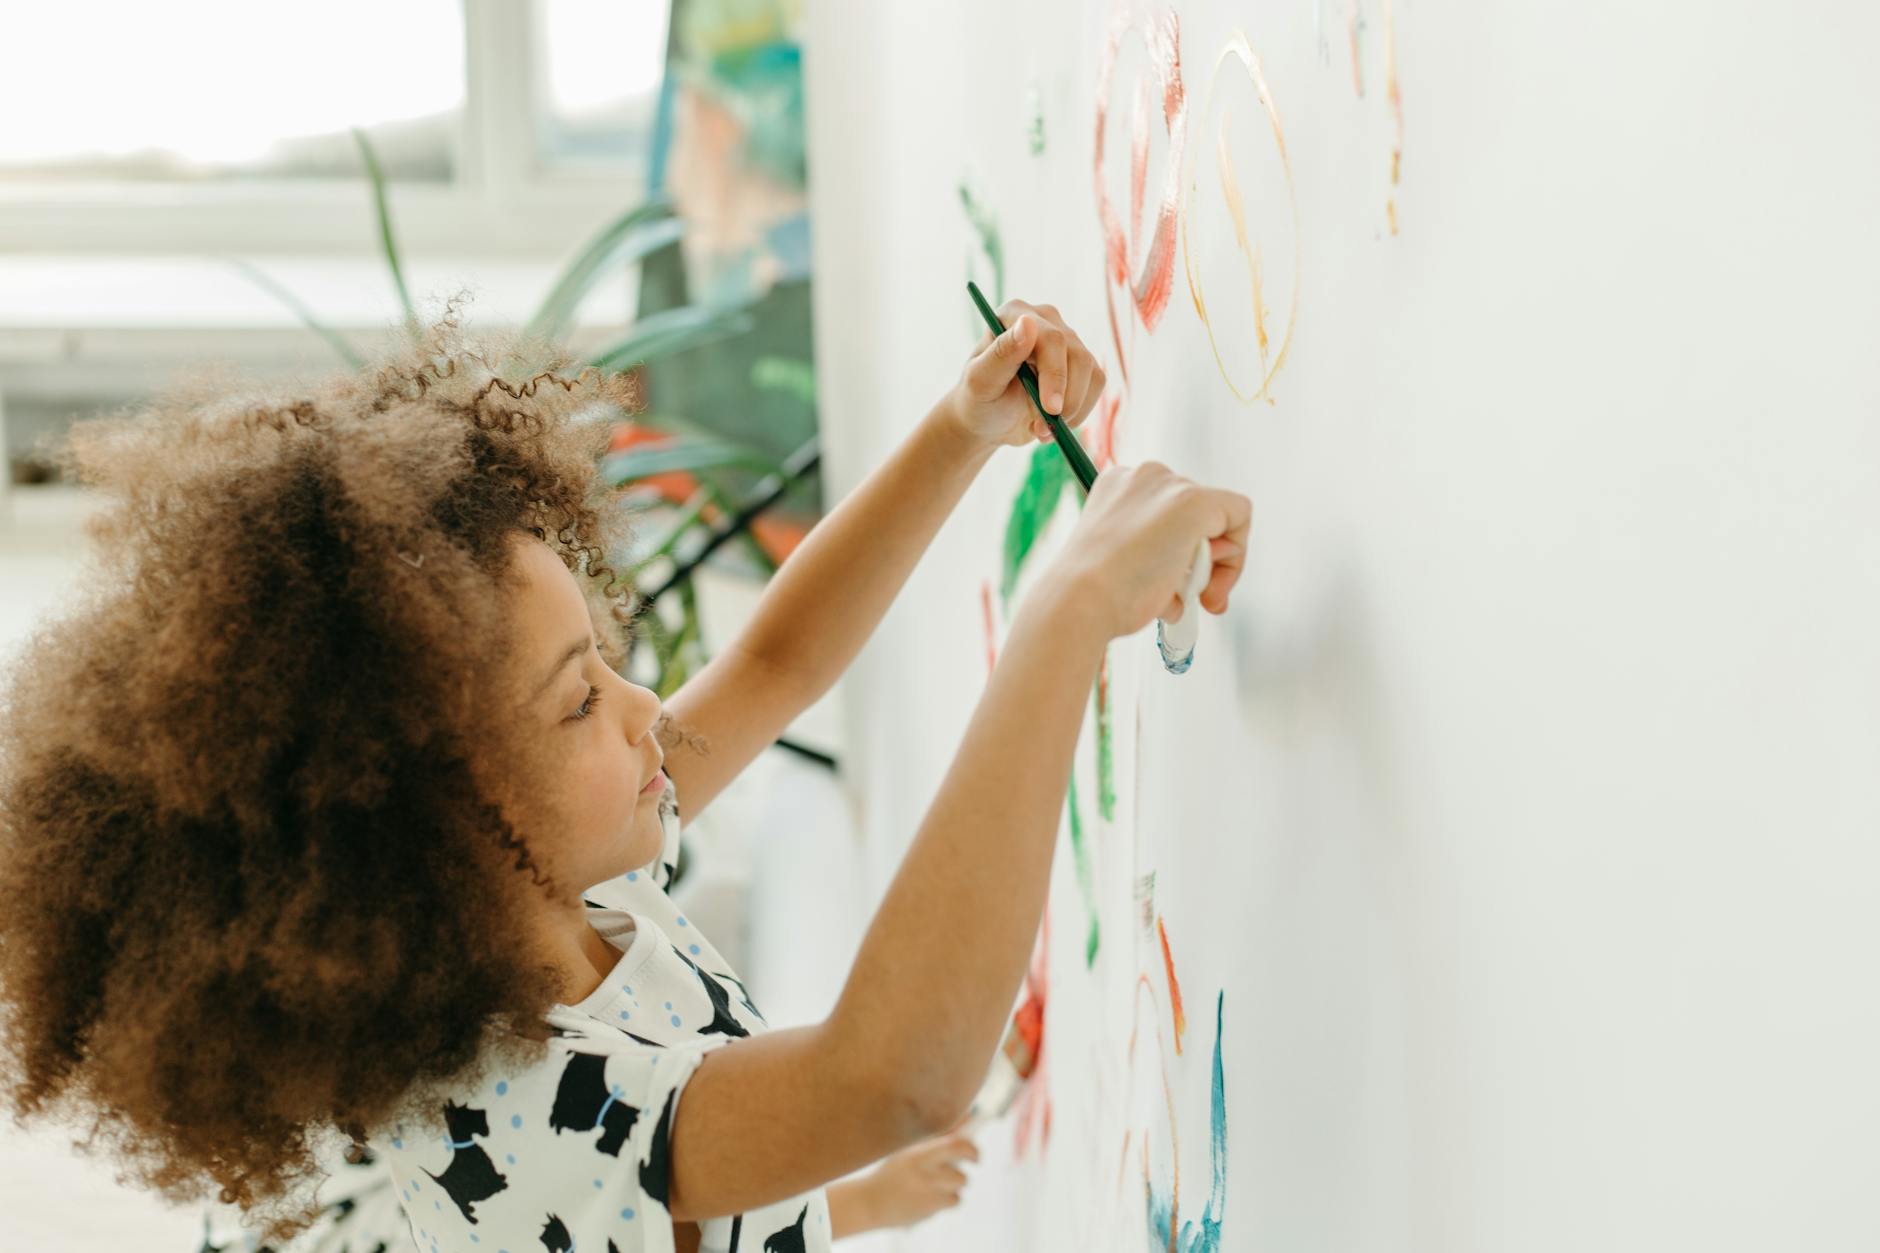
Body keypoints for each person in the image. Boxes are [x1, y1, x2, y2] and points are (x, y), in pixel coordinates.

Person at [0, 292, 1248, 1253]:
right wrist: (1066, 612)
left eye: (604, 659)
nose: (646, 703)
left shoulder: (556, 896)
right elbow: (893, 1077)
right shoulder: (525, 1108)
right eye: (580, 697)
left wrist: (960, 431)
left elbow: (774, 660)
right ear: (440, 832)